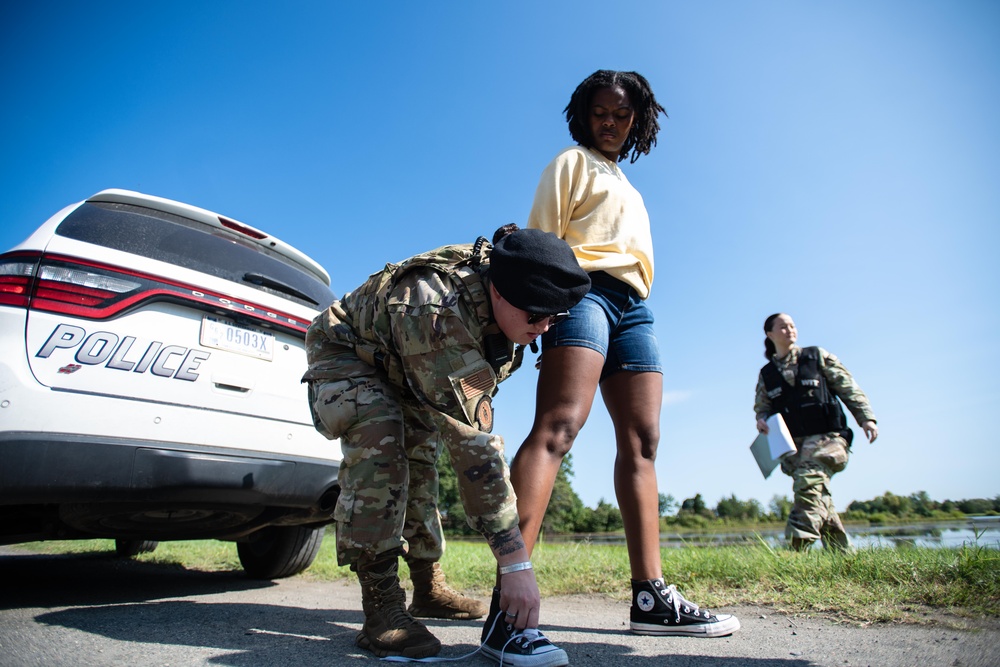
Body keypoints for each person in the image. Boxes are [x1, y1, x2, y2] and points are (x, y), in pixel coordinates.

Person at [509, 69, 740, 638]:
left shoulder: (629, 186)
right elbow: (543, 242)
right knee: (559, 426)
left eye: (620, 114)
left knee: (643, 443)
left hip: (635, 307)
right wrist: (542, 311)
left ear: (637, 119)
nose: (609, 123)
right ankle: (508, 602)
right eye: (599, 114)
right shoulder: (570, 163)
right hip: (582, 294)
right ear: (583, 118)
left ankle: (650, 598)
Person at [303, 226, 589, 664]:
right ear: (499, 292)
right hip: (349, 355)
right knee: (382, 450)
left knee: (421, 462)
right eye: (536, 315)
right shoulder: (436, 309)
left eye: (556, 317)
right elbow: (473, 442)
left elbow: (464, 420)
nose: (545, 327)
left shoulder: (509, 315)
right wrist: (514, 562)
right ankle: (381, 608)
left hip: (404, 360)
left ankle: (427, 585)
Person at [754, 313, 879, 551]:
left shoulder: (816, 357)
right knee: (818, 494)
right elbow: (762, 407)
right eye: (783, 327)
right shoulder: (767, 374)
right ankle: (842, 554)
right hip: (794, 448)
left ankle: (795, 549)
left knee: (808, 483)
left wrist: (866, 419)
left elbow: (848, 388)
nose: (790, 330)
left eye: (792, 325)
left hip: (828, 440)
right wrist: (760, 420)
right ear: (770, 335)